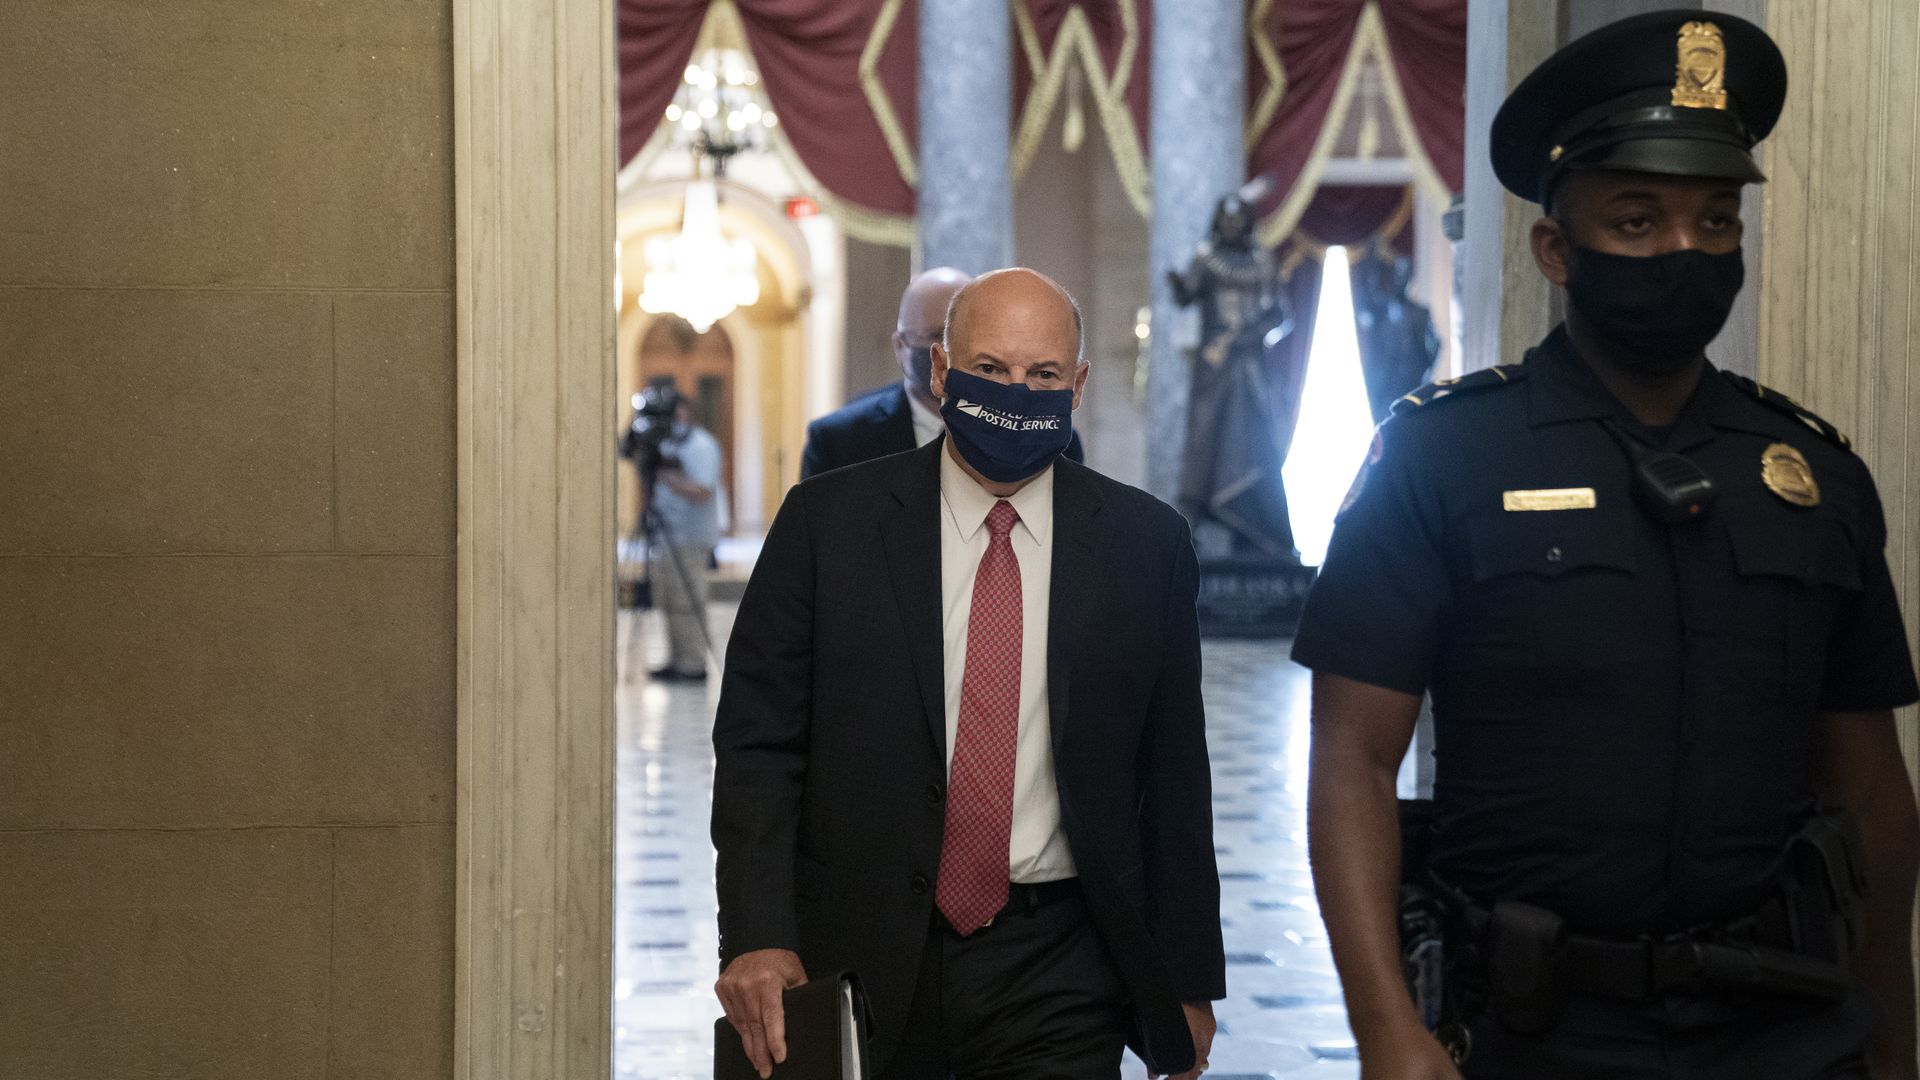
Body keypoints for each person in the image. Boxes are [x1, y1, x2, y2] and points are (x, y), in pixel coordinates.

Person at [1295, 12, 1919, 1080]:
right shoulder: (1439, 460)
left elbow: (1871, 792)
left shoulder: (1813, 480)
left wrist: (1896, 1034)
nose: (1684, 250)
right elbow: (1352, 760)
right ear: (1556, 249)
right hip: (1532, 1030)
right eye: (1636, 222)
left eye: (1716, 222)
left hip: (1783, 1026)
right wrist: (1385, 1028)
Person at [712, 268, 1224, 1079]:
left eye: (1043, 375)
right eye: (991, 370)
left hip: (1060, 958)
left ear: (1078, 385)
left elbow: (1172, 775)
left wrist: (1190, 982)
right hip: (857, 949)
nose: (1016, 392)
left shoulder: (1144, 545)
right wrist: (755, 932)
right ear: (942, 372)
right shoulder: (827, 525)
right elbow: (758, 748)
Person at [799, 266, 1083, 480]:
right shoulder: (839, 440)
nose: (949, 352)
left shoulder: (1049, 436)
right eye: (936, 335)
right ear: (902, 346)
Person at [645, 385, 722, 682]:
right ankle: (677, 659)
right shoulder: (668, 444)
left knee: (688, 600)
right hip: (667, 537)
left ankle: (692, 663)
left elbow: (703, 489)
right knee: (669, 600)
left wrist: (665, 476)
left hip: (691, 538)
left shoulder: (701, 445)